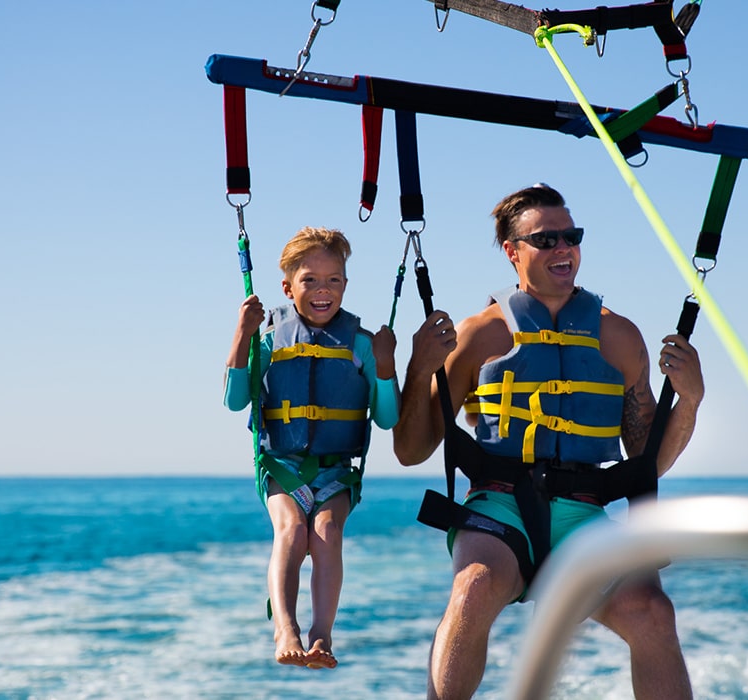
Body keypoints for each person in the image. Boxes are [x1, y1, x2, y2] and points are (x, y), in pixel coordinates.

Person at [393, 184, 703, 699]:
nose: (564, 248)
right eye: (546, 239)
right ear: (512, 251)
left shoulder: (620, 337)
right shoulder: (478, 336)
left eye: (571, 236)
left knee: (651, 611)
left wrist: (689, 401)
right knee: (473, 588)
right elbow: (411, 450)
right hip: (498, 507)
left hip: (583, 513)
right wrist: (419, 368)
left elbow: (649, 460)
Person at [223, 226, 399, 670]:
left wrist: (385, 363)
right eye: (310, 280)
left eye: (334, 280)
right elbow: (234, 400)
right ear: (287, 287)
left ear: (345, 282)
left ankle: (322, 635)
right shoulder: (267, 337)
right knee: (291, 532)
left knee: (327, 533)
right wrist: (242, 334)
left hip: (337, 470)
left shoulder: (359, 342)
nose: (323, 291)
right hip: (281, 464)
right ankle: (286, 628)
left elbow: (387, 417)